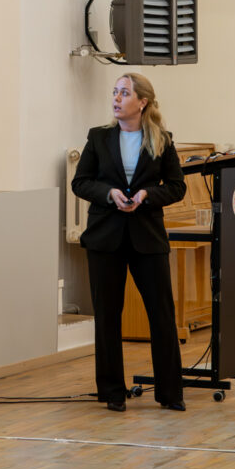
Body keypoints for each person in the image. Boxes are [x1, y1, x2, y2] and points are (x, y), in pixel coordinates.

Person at [71, 73, 187, 413]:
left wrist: (147, 195)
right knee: (107, 316)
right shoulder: (99, 137)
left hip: (147, 237)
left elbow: (177, 187)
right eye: (115, 92)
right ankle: (112, 392)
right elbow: (81, 182)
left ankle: (170, 392)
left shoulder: (162, 140)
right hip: (104, 237)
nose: (116, 99)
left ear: (142, 102)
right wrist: (110, 193)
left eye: (124, 93)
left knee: (162, 315)